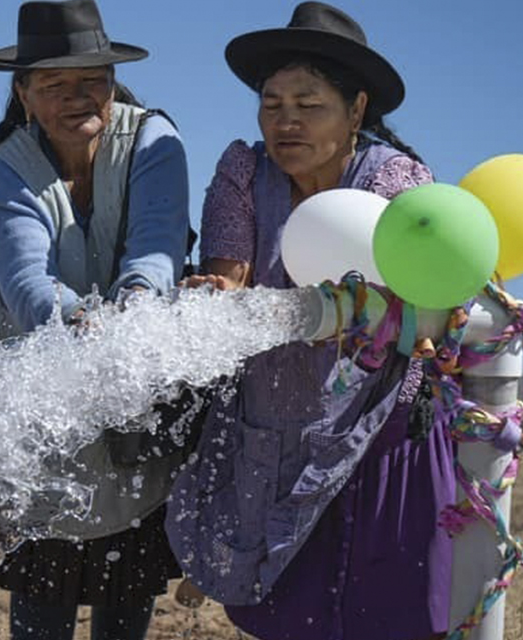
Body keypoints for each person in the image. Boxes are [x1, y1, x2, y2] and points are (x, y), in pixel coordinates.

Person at [168, 4, 445, 640]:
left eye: (308, 103)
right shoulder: (243, 172)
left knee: (380, 612)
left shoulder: (397, 184)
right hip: (273, 431)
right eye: (271, 103)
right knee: (286, 614)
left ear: (356, 110)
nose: (284, 120)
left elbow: (428, 302)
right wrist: (211, 295)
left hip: (378, 432)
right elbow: (230, 280)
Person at [0, 2, 191, 638]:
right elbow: (28, 286)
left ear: (113, 80)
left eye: (90, 79)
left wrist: (135, 313)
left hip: (134, 389)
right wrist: (86, 322)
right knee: (44, 577)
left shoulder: (154, 141)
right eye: (53, 85)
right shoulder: (4, 170)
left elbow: (157, 245)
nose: (76, 97)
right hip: (40, 396)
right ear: (24, 94)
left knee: (128, 581)